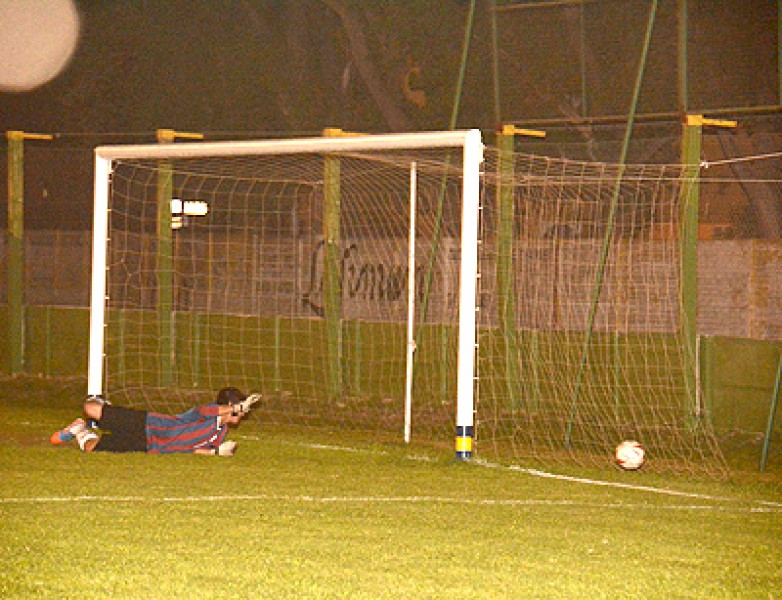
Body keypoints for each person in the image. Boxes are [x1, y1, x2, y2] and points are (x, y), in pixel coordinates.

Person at [50, 387, 261, 456]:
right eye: (239, 408)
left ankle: (79, 429)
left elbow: (194, 449)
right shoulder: (206, 413)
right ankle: (105, 407)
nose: (243, 414)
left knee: (91, 447)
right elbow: (211, 410)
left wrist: (216, 453)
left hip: (150, 445)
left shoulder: (220, 433)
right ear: (230, 405)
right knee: (91, 408)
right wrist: (237, 408)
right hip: (147, 423)